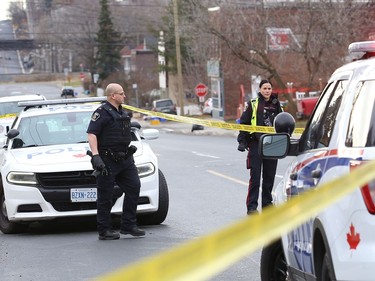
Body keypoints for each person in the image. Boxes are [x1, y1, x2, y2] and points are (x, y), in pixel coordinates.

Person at [87, 83, 145, 240]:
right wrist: (96, 156)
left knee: (134, 187)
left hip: (125, 159)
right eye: (121, 93)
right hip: (107, 159)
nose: (124, 96)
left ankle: (128, 225)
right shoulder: (102, 112)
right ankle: (104, 230)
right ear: (113, 96)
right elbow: (92, 134)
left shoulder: (122, 112)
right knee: (105, 195)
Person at [237, 79, 283, 215]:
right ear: (260, 90)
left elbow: (283, 122)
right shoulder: (253, 104)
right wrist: (242, 140)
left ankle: (267, 205)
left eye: (269, 89)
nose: (267, 91)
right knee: (255, 178)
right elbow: (244, 122)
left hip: (273, 144)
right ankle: (252, 207)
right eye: (265, 88)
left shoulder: (277, 104)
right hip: (257, 144)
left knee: (269, 178)